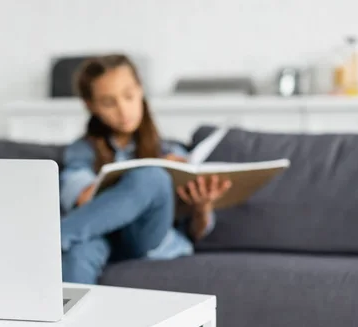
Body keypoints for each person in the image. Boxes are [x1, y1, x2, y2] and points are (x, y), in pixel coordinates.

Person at [60, 54, 232, 285]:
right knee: (79, 252)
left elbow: (196, 232)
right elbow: (80, 198)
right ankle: (69, 319)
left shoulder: (170, 151)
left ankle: (53, 237)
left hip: (146, 238)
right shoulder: (82, 151)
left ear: (140, 91)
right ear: (91, 106)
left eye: (129, 96)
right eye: (109, 102)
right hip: (102, 237)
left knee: (153, 177)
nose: (123, 110)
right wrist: (128, 182)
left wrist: (202, 207)